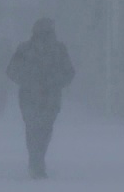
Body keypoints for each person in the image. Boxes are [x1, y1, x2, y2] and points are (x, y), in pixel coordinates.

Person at [6, 18, 75, 179]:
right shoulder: (51, 49)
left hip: (37, 98)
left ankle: (36, 161)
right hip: (41, 98)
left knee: (36, 131)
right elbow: (12, 70)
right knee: (41, 131)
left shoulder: (52, 49)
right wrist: (37, 81)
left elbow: (69, 73)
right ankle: (37, 162)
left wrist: (32, 81)